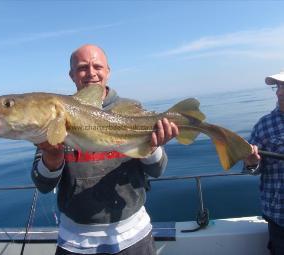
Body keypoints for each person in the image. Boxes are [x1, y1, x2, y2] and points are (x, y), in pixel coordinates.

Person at [31, 44, 179, 255]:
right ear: (71, 74)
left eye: (97, 66)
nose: (91, 73)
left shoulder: (132, 110)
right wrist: (52, 157)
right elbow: (43, 185)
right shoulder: (55, 114)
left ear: (108, 71)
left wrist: (152, 145)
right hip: (75, 241)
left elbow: (157, 170)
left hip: (133, 236)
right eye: (82, 67)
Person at [244, 70, 284, 255]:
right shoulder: (264, 125)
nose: (279, 92)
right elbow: (251, 169)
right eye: (278, 87)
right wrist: (252, 162)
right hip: (279, 218)